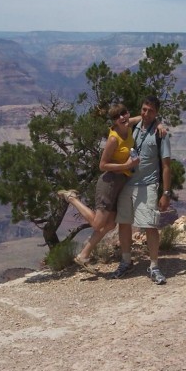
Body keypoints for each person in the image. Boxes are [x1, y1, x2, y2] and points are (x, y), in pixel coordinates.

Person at [58, 103, 139, 272]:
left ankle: (83, 256)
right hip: (109, 183)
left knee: (109, 225)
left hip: (121, 184)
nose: (122, 117)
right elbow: (102, 165)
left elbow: (145, 118)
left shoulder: (128, 124)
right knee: (97, 224)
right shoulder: (113, 139)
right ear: (114, 122)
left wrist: (158, 123)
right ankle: (71, 198)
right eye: (117, 116)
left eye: (124, 113)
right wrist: (125, 165)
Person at [112, 95, 172, 284]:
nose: (146, 113)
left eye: (151, 111)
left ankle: (154, 266)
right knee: (124, 222)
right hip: (127, 183)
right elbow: (119, 121)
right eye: (144, 109)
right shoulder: (131, 126)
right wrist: (145, 119)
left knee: (149, 225)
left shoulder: (161, 134)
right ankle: (126, 261)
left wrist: (166, 193)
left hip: (148, 184)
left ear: (157, 112)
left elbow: (166, 166)